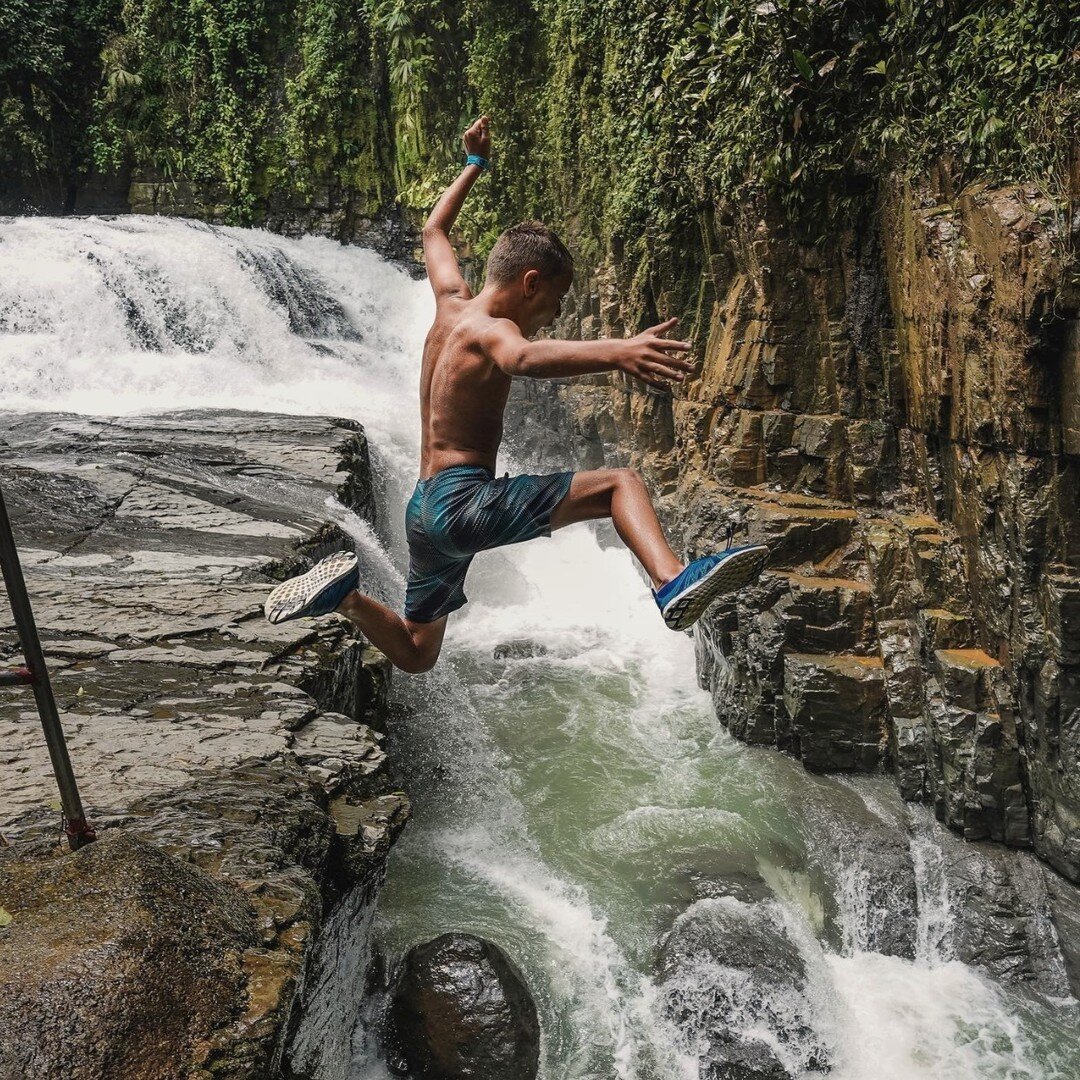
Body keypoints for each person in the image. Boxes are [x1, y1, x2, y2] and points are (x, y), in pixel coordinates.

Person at [265, 116, 768, 672]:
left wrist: (473, 165)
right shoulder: (496, 333)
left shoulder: (450, 304)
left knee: (417, 652)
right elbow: (521, 358)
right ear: (530, 283)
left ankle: (348, 599)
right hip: (461, 502)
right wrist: (620, 350)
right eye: (553, 303)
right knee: (619, 484)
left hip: (422, 508)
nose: (551, 317)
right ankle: (672, 580)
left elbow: (433, 231)